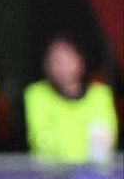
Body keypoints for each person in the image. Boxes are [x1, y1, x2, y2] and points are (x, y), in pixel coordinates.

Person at [24, 34, 118, 165]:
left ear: (81, 61)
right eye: (55, 60)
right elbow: (40, 140)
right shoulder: (36, 94)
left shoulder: (100, 94)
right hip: (51, 174)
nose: (62, 66)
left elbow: (106, 138)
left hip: (93, 173)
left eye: (66, 59)